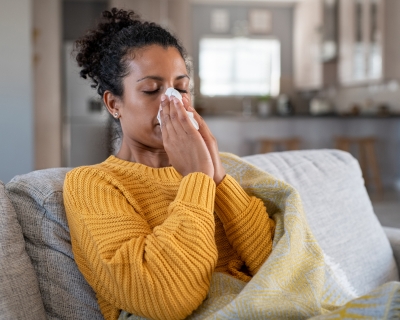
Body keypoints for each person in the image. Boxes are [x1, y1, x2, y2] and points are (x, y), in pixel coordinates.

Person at [63, 8, 275, 320]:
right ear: (113, 103)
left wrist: (217, 177)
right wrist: (198, 180)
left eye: (182, 87)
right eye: (152, 89)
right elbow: (166, 298)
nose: (173, 101)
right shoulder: (93, 184)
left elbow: (278, 266)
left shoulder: (216, 166)